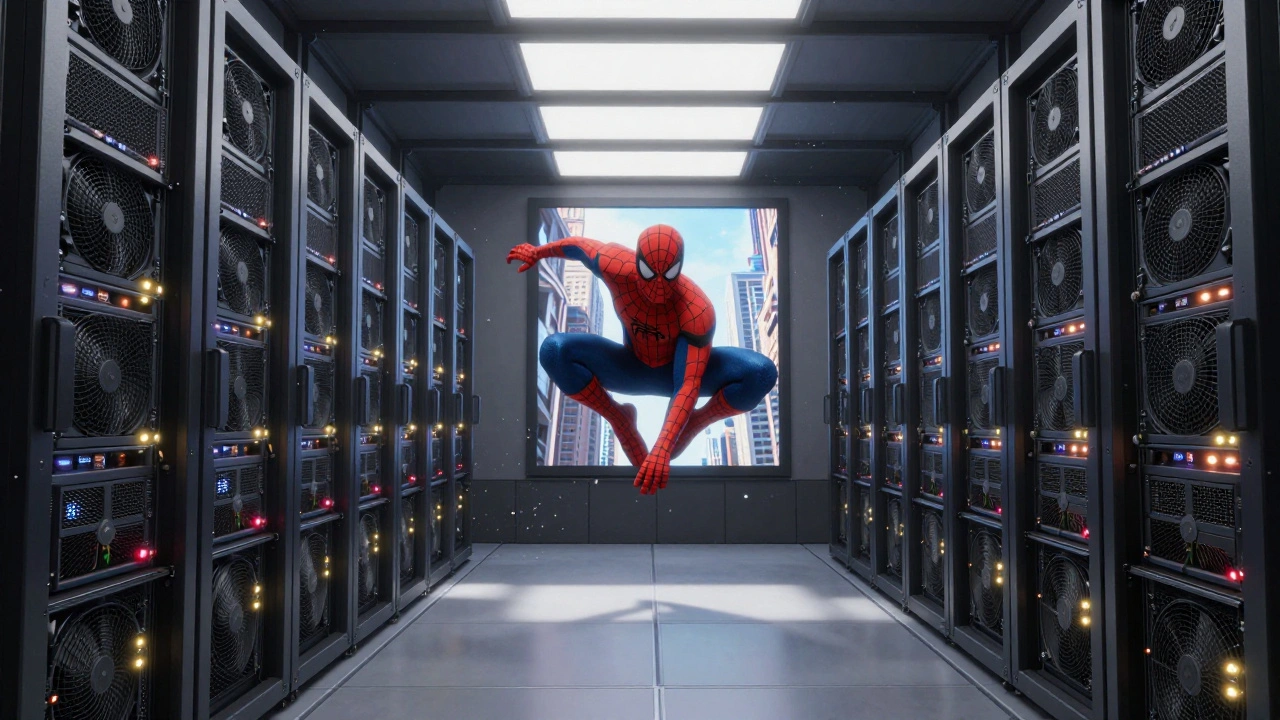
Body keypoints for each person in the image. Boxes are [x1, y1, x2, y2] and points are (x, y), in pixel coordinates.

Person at [508, 224, 778, 494]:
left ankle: (698, 420)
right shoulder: (615, 264)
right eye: (649, 273)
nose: (658, 287)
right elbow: (578, 246)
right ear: (637, 262)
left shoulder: (697, 309)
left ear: (679, 267)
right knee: (554, 351)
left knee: (762, 372)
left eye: (669, 274)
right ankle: (619, 417)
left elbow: (688, 383)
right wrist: (538, 251)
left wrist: (662, 447)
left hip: (680, 372)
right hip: (630, 366)